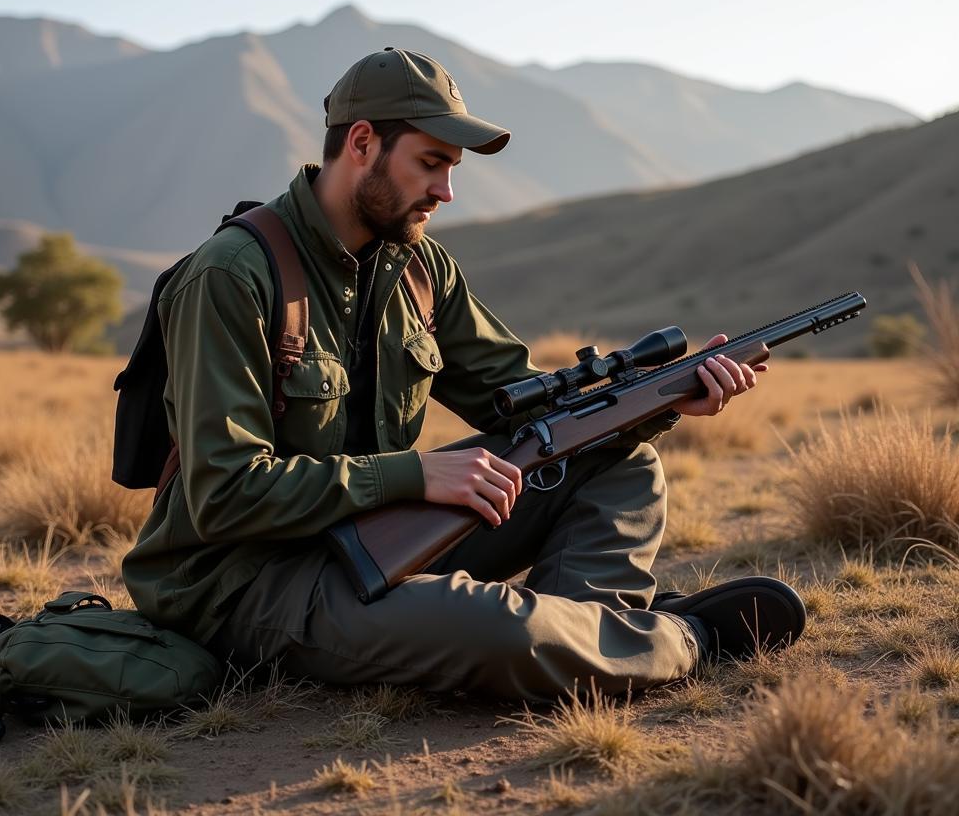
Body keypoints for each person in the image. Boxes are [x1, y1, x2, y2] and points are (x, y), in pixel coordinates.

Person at [123, 48, 805, 702]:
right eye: (430, 164)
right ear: (362, 143)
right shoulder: (232, 276)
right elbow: (226, 496)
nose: (446, 191)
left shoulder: (420, 269)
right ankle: (684, 638)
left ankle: (582, 647)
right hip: (245, 579)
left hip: (373, 536)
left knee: (622, 461)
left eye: (451, 169)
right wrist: (414, 475)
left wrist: (661, 402)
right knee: (498, 629)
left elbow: (530, 409)